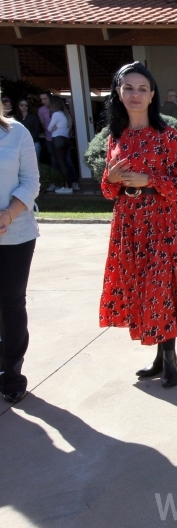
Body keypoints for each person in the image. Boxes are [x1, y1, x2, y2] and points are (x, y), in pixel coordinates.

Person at [99, 61, 177, 388]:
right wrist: (110, 178)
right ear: (118, 92)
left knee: (162, 289)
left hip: (161, 224)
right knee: (142, 289)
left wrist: (150, 180)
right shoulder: (115, 136)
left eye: (142, 89)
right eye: (128, 88)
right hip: (128, 225)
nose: (135, 94)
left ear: (152, 94)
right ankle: (158, 357)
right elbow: (107, 190)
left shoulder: (167, 135)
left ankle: (169, 358)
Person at [0, 87, 41, 404]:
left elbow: (30, 181)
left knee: (10, 304)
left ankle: (11, 375)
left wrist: (8, 215)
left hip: (15, 234)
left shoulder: (16, 133)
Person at [47, 95, 77, 194]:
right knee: (65, 163)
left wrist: (53, 127)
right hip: (65, 139)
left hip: (57, 140)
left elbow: (49, 128)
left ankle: (67, 187)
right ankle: (68, 185)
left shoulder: (56, 114)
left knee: (61, 164)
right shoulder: (65, 114)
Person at [37, 91, 52, 167]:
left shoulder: (57, 107)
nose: (43, 101)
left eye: (45, 99)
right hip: (49, 138)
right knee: (53, 159)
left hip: (61, 136)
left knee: (66, 159)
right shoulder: (41, 110)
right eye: (42, 99)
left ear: (50, 98)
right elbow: (43, 124)